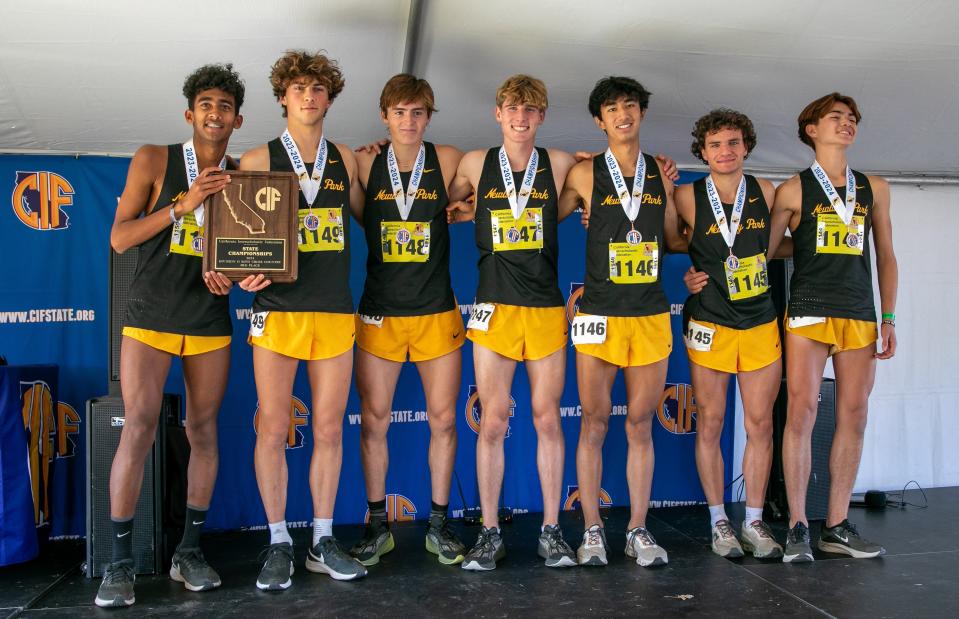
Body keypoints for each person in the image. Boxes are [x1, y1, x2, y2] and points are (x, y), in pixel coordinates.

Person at [96, 63, 244, 607]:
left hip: (207, 319)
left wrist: (229, 270)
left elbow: (248, 250)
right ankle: (119, 563)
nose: (215, 112)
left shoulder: (241, 174)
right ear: (190, 113)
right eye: (206, 103)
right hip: (151, 316)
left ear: (237, 119)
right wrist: (179, 206)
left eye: (225, 106)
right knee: (138, 426)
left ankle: (189, 552)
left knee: (202, 429)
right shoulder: (154, 159)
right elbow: (119, 238)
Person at [238, 50, 366, 589]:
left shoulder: (347, 158)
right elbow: (237, 240)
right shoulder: (254, 159)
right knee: (273, 426)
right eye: (298, 89)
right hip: (277, 312)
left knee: (330, 429)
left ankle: (321, 538)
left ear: (329, 98)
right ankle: (277, 542)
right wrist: (242, 270)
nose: (308, 97)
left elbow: (376, 213)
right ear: (283, 98)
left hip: (334, 310)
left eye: (317, 89)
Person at [447, 74, 580, 571]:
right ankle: (487, 533)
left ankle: (550, 530)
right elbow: (432, 201)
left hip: (545, 307)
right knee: (493, 422)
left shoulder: (562, 163)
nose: (520, 118)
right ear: (497, 114)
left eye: (530, 110)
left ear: (541, 116)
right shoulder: (475, 163)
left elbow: (605, 182)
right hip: (495, 308)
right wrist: (462, 213)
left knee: (548, 420)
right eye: (511, 109)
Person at [559, 76, 683, 568]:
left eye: (630, 105)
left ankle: (636, 529)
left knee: (638, 425)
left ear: (641, 113)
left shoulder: (662, 174)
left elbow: (674, 238)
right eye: (611, 108)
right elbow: (542, 217)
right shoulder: (584, 174)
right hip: (598, 317)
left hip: (651, 316)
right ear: (599, 120)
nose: (622, 113)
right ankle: (592, 529)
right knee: (593, 423)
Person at [770, 93, 897, 562]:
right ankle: (800, 525)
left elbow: (885, 255)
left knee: (854, 415)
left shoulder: (875, 187)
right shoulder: (792, 189)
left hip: (860, 312)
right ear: (811, 129)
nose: (846, 125)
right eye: (835, 118)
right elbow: (763, 248)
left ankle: (837, 524)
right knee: (801, 413)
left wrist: (889, 317)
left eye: (852, 120)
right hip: (807, 309)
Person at [348, 74, 467, 566]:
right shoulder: (362, 161)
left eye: (418, 112)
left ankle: (439, 527)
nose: (409, 121)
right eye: (399, 112)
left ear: (429, 116)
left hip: (437, 309)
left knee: (443, 421)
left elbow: (506, 184)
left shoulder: (450, 159)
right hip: (380, 312)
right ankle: (379, 527)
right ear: (384, 115)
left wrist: (465, 210)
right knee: (373, 423)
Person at [674, 109, 783, 560]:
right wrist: (690, 277)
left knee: (760, 424)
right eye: (715, 144)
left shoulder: (766, 190)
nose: (725, 151)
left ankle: (754, 522)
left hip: (759, 320)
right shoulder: (685, 195)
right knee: (712, 423)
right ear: (702, 150)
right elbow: (670, 241)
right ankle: (720, 521)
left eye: (733, 142)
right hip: (710, 322)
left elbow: (770, 247)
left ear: (746, 147)